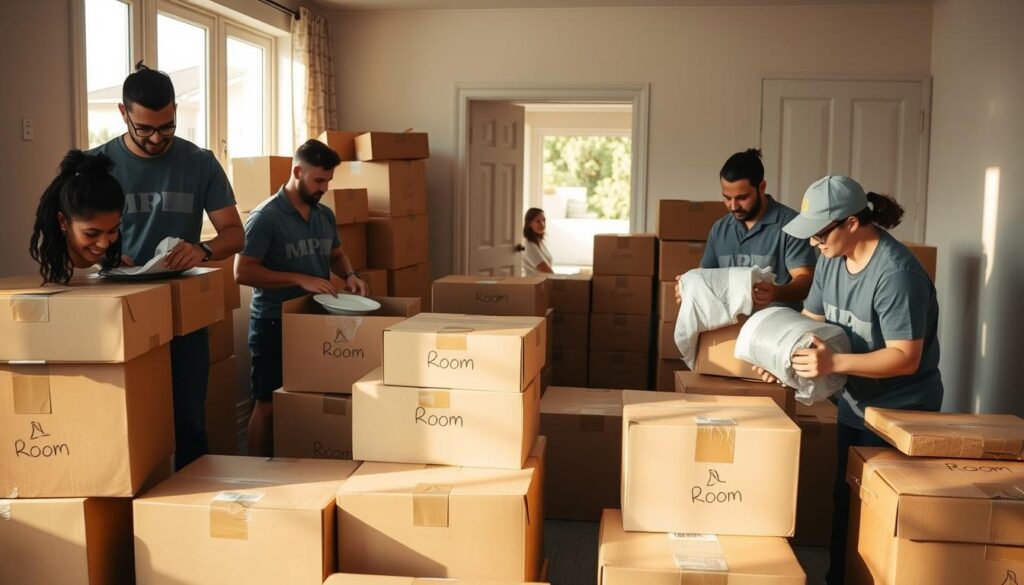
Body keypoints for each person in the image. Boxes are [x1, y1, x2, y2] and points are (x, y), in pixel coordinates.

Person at [763, 175, 943, 585]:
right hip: (855, 405)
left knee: (885, 517)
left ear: (851, 223)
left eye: (819, 233)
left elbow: (905, 358)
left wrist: (834, 363)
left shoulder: (896, 275)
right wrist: (779, 356)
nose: (813, 244)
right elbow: (809, 322)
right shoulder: (830, 260)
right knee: (846, 503)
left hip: (902, 414)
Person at [91, 62, 244, 470]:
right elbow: (66, 241)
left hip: (182, 311)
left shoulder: (200, 162)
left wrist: (205, 250)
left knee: (189, 423)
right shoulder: (95, 165)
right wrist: (99, 251)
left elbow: (234, 233)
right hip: (117, 309)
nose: (157, 138)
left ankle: (189, 511)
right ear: (123, 114)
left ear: (176, 110)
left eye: (167, 126)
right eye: (145, 129)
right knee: (122, 426)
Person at [235, 139, 368, 456]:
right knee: (267, 406)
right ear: (298, 171)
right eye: (319, 180)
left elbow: (336, 254)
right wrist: (299, 278)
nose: (324, 187)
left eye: (328, 181)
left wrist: (350, 275)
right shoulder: (265, 216)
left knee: (309, 399)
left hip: (315, 322)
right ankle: (254, 474)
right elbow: (242, 272)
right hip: (273, 323)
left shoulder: (325, 215)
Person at [676, 148, 817, 307]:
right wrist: (689, 286)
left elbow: (806, 280)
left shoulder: (791, 224)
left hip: (778, 324)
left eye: (742, 198)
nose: (733, 206)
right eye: (727, 198)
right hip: (730, 325)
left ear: (762, 187)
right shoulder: (719, 229)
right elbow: (705, 277)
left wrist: (777, 293)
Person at [30, 150, 124, 283]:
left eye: (113, 230)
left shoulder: (116, 261)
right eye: (91, 234)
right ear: (63, 222)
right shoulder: (46, 264)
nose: (103, 243)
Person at [516, 207, 553, 276]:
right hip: (534, 284)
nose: (542, 224)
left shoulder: (538, 241)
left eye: (543, 220)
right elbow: (546, 270)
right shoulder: (529, 245)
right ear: (529, 224)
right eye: (538, 221)